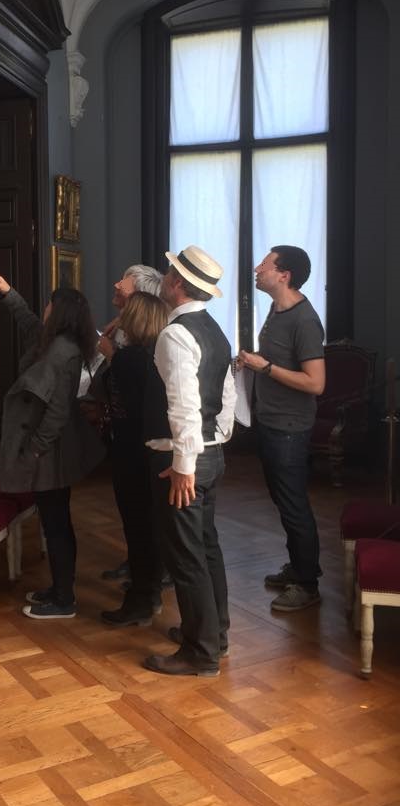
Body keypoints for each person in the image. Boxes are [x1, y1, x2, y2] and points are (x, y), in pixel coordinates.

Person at [0, 267, 106, 619]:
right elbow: (27, 322)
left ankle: (64, 599)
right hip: (52, 449)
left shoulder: (59, 352)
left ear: (60, 311)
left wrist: (36, 448)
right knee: (55, 520)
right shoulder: (58, 342)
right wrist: (9, 292)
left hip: (49, 451)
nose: (45, 309)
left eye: (50, 305)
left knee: (55, 523)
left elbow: (55, 412)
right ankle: (58, 588)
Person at [143, 245, 236, 678]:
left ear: (177, 283)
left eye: (168, 272)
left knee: (186, 555)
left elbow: (183, 405)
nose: (164, 276)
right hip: (210, 452)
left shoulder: (175, 334)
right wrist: (216, 440)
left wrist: (184, 463)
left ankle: (200, 654)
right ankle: (215, 634)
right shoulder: (215, 331)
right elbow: (228, 398)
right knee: (207, 547)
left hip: (188, 459)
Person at [237, 245, 325, 612]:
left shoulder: (304, 320)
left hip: (289, 427)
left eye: (265, 264)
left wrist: (265, 368)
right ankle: (299, 566)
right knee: (282, 498)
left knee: (292, 503)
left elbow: (316, 383)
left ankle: (307, 583)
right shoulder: (276, 309)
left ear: (284, 275)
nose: (257, 269)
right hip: (271, 421)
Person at [99, 291, 169, 627]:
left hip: (130, 452)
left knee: (137, 527)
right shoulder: (157, 353)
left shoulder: (128, 359)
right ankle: (149, 592)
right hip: (152, 452)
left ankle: (140, 600)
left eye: (127, 311)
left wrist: (111, 355)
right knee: (149, 528)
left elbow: (120, 396)